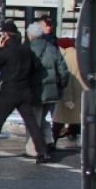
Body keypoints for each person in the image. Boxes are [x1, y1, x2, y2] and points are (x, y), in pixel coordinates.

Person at [0, 21, 52, 162]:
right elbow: (37, 66)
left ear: (5, 35)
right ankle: (43, 152)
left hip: (10, 90)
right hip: (25, 90)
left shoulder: (6, 50)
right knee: (32, 123)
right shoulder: (26, 49)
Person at [25, 22, 70, 156]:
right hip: (51, 91)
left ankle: (33, 149)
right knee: (43, 119)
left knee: (33, 122)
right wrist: (60, 86)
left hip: (34, 91)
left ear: (30, 35)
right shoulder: (52, 48)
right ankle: (48, 142)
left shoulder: (27, 49)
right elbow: (63, 71)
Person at [52, 37, 86, 146]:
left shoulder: (66, 58)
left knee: (58, 121)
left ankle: (52, 143)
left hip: (70, 95)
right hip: (81, 93)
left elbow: (66, 80)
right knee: (79, 119)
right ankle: (80, 140)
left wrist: (68, 99)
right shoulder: (80, 55)